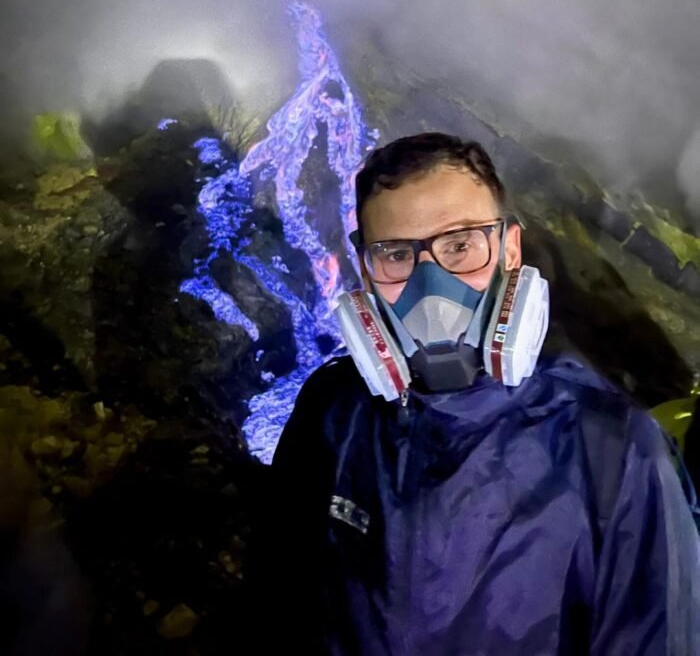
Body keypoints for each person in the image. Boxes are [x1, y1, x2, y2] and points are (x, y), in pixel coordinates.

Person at [259, 132, 700, 655]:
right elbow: (278, 612)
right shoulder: (332, 411)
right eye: (397, 254)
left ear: (510, 249)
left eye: (461, 245)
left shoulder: (614, 447)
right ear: (365, 269)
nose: (432, 286)